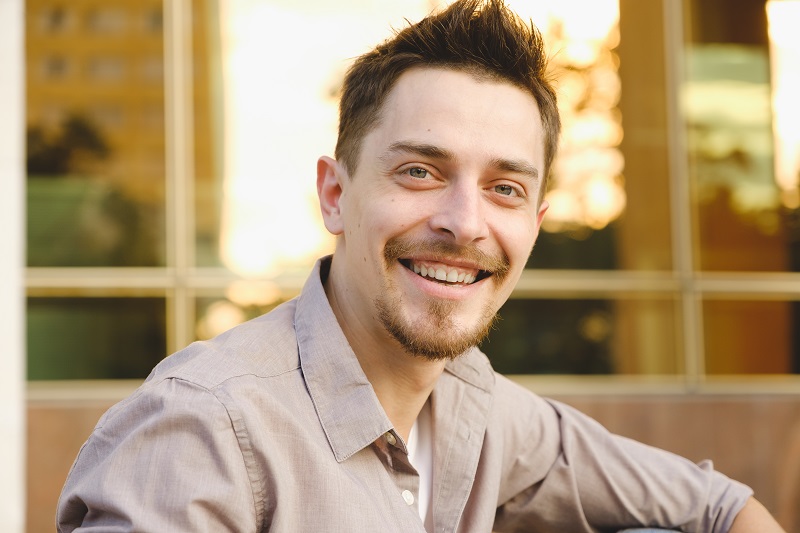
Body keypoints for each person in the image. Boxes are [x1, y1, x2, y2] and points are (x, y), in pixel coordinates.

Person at [57, 1, 785, 531]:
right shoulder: (202, 432)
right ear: (336, 195)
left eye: (504, 188)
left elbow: (717, 505)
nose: (465, 223)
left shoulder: (475, 404)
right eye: (419, 171)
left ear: (532, 226)